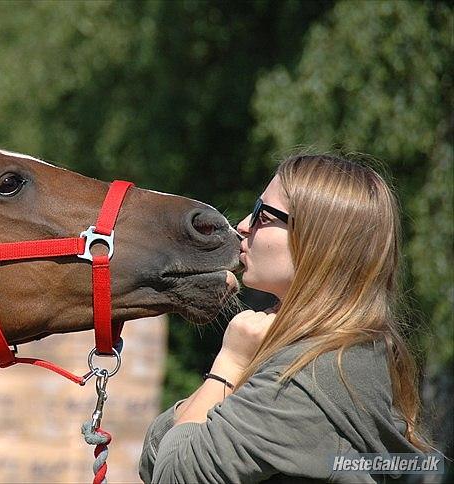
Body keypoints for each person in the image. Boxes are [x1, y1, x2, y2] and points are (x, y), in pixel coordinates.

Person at [139, 154, 431, 483]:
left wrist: (229, 366)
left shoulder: (313, 376)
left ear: (318, 240)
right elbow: (156, 453)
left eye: (263, 216)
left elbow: (175, 474)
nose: (243, 226)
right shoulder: (321, 353)